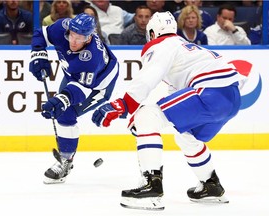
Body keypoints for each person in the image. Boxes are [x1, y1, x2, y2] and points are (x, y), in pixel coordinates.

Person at [92, 11, 246, 210]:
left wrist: (124, 105)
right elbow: (177, 96)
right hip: (231, 97)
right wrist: (147, 122)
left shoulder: (163, 44)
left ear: (153, 33)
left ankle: (151, 188)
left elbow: (149, 77)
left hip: (209, 92)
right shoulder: (187, 49)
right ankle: (211, 186)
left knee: (145, 115)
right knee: (186, 135)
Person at [29, 13, 119, 184]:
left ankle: (66, 161)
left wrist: (61, 100)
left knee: (65, 112)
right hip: (75, 75)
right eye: (72, 35)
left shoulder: (92, 57)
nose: (74, 41)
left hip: (98, 85)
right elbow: (40, 33)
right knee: (63, 108)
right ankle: (66, 156)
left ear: (90, 37)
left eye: (80, 38)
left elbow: (81, 90)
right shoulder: (63, 26)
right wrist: (38, 53)